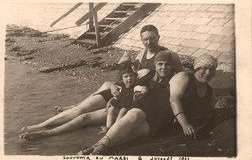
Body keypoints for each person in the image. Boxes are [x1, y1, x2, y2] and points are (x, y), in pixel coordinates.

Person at [77, 54, 218, 155]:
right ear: (196, 68)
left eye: (211, 70)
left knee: (132, 134)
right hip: (151, 103)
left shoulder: (210, 92)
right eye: (203, 68)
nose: (207, 73)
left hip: (163, 118)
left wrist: (216, 106)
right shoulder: (184, 76)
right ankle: (99, 148)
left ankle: (91, 149)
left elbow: (204, 111)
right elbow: (174, 99)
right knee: (132, 119)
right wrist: (185, 124)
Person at [54, 24, 183, 113]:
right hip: (137, 85)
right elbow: (131, 74)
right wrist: (121, 69)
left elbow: (182, 76)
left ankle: (83, 108)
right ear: (141, 40)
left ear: (158, 37)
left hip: (150, 90)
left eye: (152, 39)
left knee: (106, 101)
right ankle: (76, 106)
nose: (149, 42)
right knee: (107, 84)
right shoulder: (141, 54)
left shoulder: (168, 55)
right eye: (146, 39)